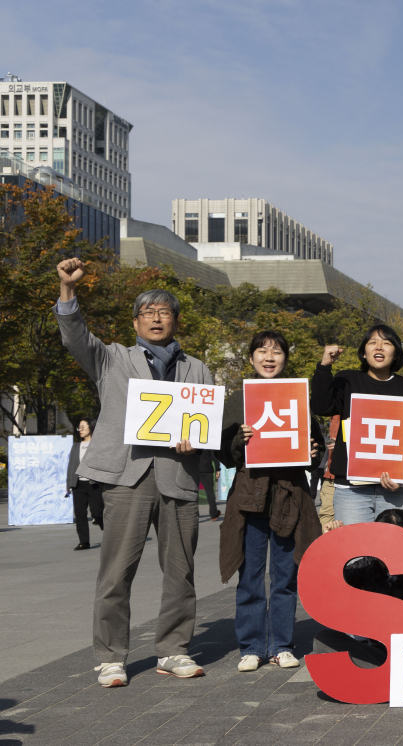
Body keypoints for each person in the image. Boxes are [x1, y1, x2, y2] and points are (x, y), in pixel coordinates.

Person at [54, 257, 212, 687]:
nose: (156, 318)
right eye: (148, 312)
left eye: (164, 312)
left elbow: (204, 425)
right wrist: (68, 291)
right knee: (116, 571)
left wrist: (196, 440)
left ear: (176, 321)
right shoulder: (111, 358)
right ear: (136, 321)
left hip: (177, 477)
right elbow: (74, 337)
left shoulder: (196, 368)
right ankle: (110, 657)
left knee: (180, 571)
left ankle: (174, 649)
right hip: (127, 477)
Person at [216, 330, 325, 673]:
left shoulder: (297, 397)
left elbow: (315, 449)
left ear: (285, 359)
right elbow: (222, 454)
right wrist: (238, 439)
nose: (269, 357)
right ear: (251, 358)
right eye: (262, 351)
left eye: (276, 351)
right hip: (249, 501)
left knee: (284, 576)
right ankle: (250, 646)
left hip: (288, 499)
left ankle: (281, 645)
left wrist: (313, 452)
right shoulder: (239, 398)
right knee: (249, 577)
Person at [310, 325, 403, 524]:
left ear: (396, 353)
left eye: (387, 343)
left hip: (393, 490)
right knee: (355, 551)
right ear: (364, 352)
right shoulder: (347, 380)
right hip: (351, 491)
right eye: (372, 342)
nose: (379, 347)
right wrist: (324, 366)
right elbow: (321, 406)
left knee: (391, 552)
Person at [67, 418, 104, 551]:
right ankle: (84, 542)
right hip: (78, 485)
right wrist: (69, 484)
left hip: (94, 483)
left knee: (97, 512)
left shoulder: (97, 444)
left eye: (83, 427)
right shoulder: (76, 446)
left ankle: (106, 528)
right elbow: (71, 466)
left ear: (91, 427)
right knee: (80, 513)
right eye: (79, 428)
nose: (80, 430)